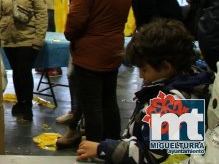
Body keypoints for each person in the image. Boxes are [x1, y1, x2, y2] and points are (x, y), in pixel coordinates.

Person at [76, 18, 212, 163]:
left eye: (144, 69)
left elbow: (151, 157)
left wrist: (102, 149)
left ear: (166, 67)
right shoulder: (183, 88)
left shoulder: (175, 103)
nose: (141, 75)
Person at [58, 0, 132, 148]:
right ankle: (112, 147)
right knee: (109, 100)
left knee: (92, 106)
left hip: (90, 51)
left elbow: (76, 19)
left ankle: (93, 149)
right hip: (113, 47)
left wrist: (69, 34)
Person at [0, 0, 47, 121]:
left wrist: (38, 40)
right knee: (17, 74)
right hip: (9, 39)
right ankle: (20, 102)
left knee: (24, 73)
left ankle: (27, 108)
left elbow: (41, 17)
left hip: (27, 39)